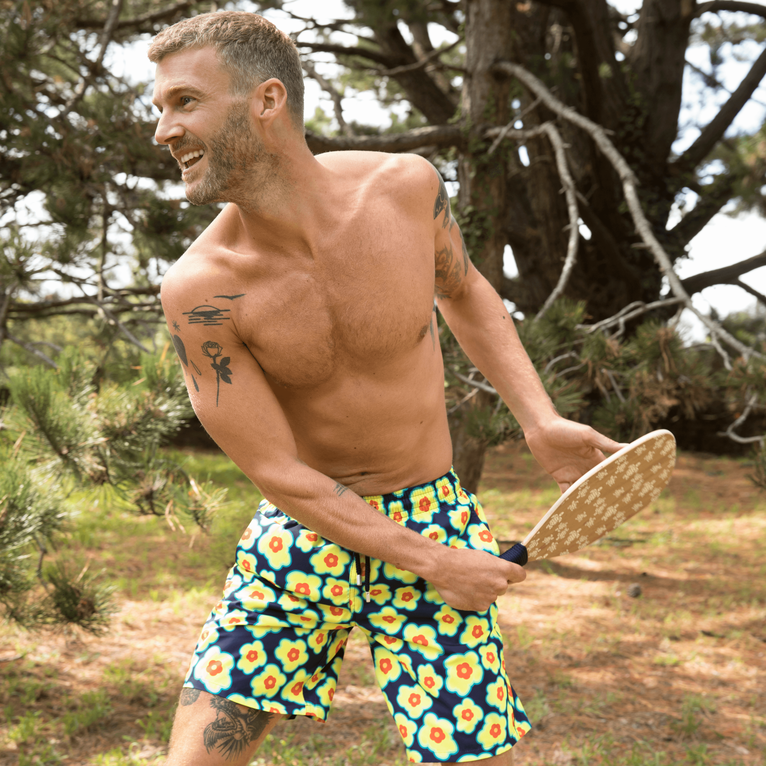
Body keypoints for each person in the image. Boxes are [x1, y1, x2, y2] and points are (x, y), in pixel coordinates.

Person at [149, 11, 623, 766]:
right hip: (306, 528)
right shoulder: (201, 291)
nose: (163, 131)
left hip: (432, 511)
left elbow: (464, 290)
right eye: (160, 108)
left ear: (267, 100)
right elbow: (277, 471)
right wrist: (435, 561)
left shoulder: (404, 189)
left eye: (184, 102)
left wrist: (538, 418)